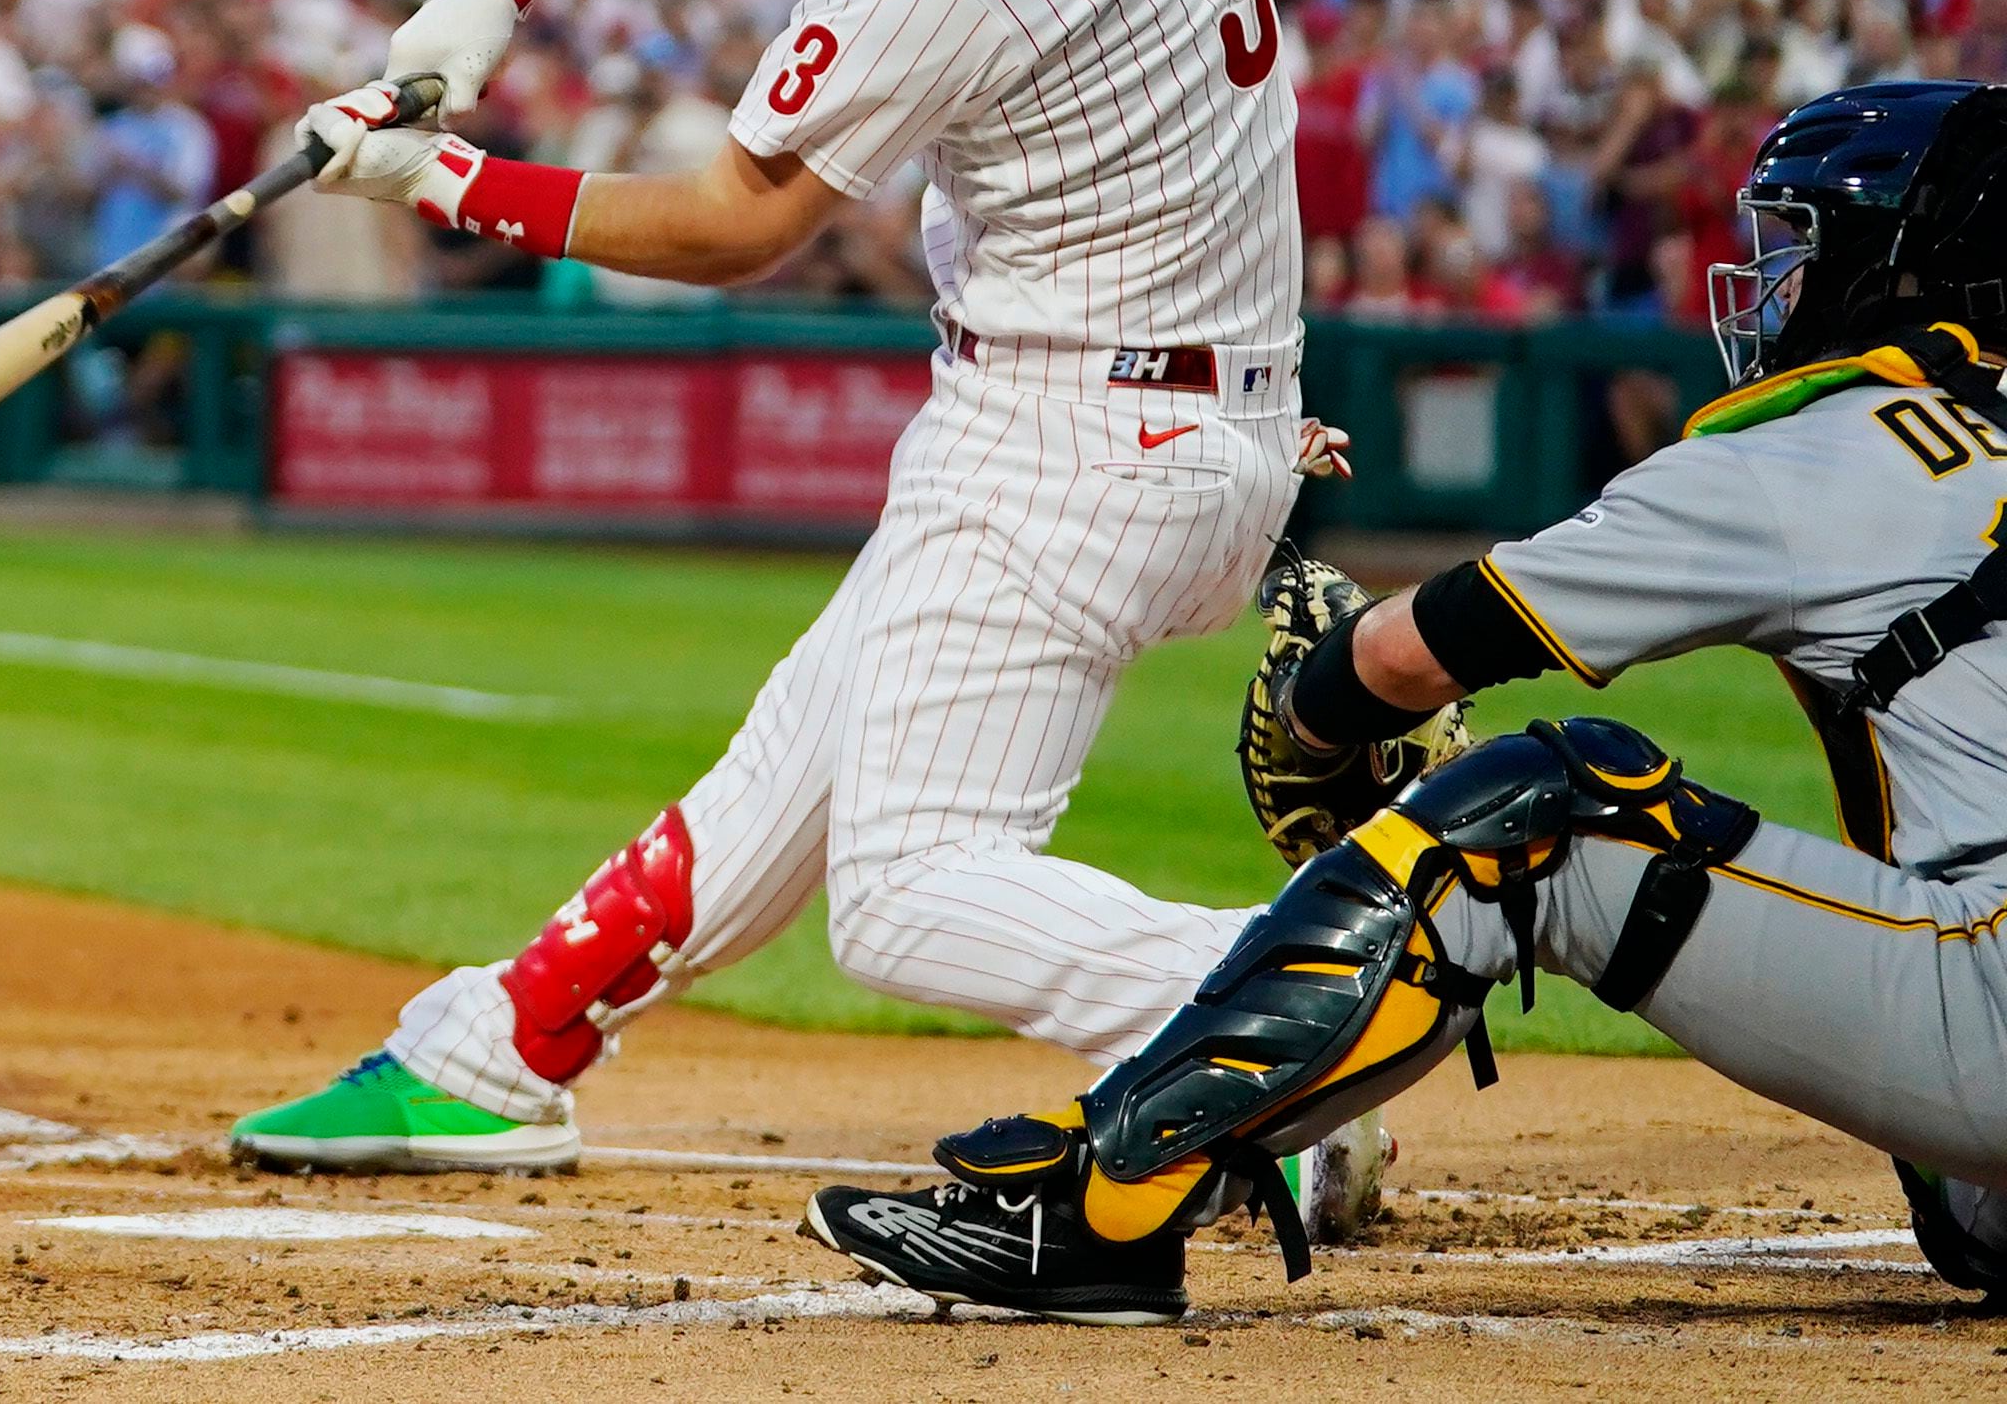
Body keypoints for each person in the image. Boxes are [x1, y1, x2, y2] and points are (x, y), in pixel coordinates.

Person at [233, 0, 1357, 1194]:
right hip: (1175, 411)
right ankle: (498, 1049)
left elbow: (728, 222)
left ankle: (1300, 997)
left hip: (1069, 440)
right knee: (790, 772)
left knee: (902, 892)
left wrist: (442, 183)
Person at [803, 79, 2007, 1322]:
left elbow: (1411, 654)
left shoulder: (1830, 446)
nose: (1774, 284)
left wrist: (1313, 723)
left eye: (1799, 245)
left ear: (1890, 265)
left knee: (1533, 813)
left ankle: (1101, 1202)